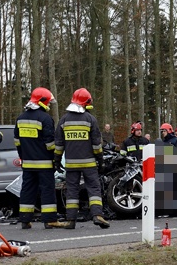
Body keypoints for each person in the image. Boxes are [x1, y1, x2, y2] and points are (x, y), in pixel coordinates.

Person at [49, 88, 110, 229]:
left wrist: (57, 161)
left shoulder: (64, 120)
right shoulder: (90, 119)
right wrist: (100, 160)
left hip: (71, 164)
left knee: (72, 190)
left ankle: (70, 221)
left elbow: (58, 144)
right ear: (85, 103)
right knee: (94, 189)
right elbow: (96, 144)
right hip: (89, 163)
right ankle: (97, 215)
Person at [14, 87, 58, 229]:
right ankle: (49, 219)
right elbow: (50, 144)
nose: (50, 105)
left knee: (27, 190)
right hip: (44, 163)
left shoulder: (20, 118)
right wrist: (56, 157)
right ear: (43, 101)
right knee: (47, 190)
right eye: (49, 102)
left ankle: (25, 220)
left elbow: (17, 142)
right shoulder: (45, 118)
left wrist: (23, 157)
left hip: (27, 163)